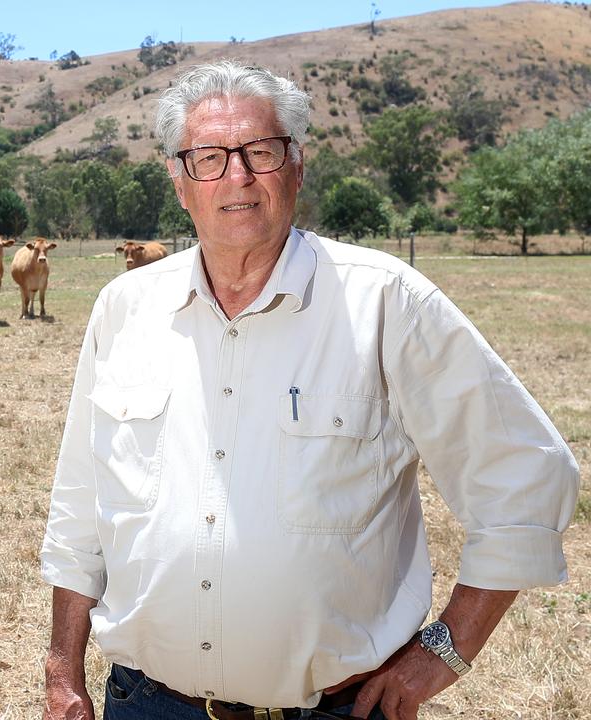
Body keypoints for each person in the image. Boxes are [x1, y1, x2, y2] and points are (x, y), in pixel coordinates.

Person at [40, 60, 579, 720]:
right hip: (147, 703)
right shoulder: (123, 309)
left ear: (297, 165)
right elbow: (81, 506)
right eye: (208, 157)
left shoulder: (384, 301)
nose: (236, 176)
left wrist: (447, 648)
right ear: (180, 182)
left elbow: (524, 470)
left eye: (259, 152)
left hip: (336, 709)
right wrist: (62, 668)